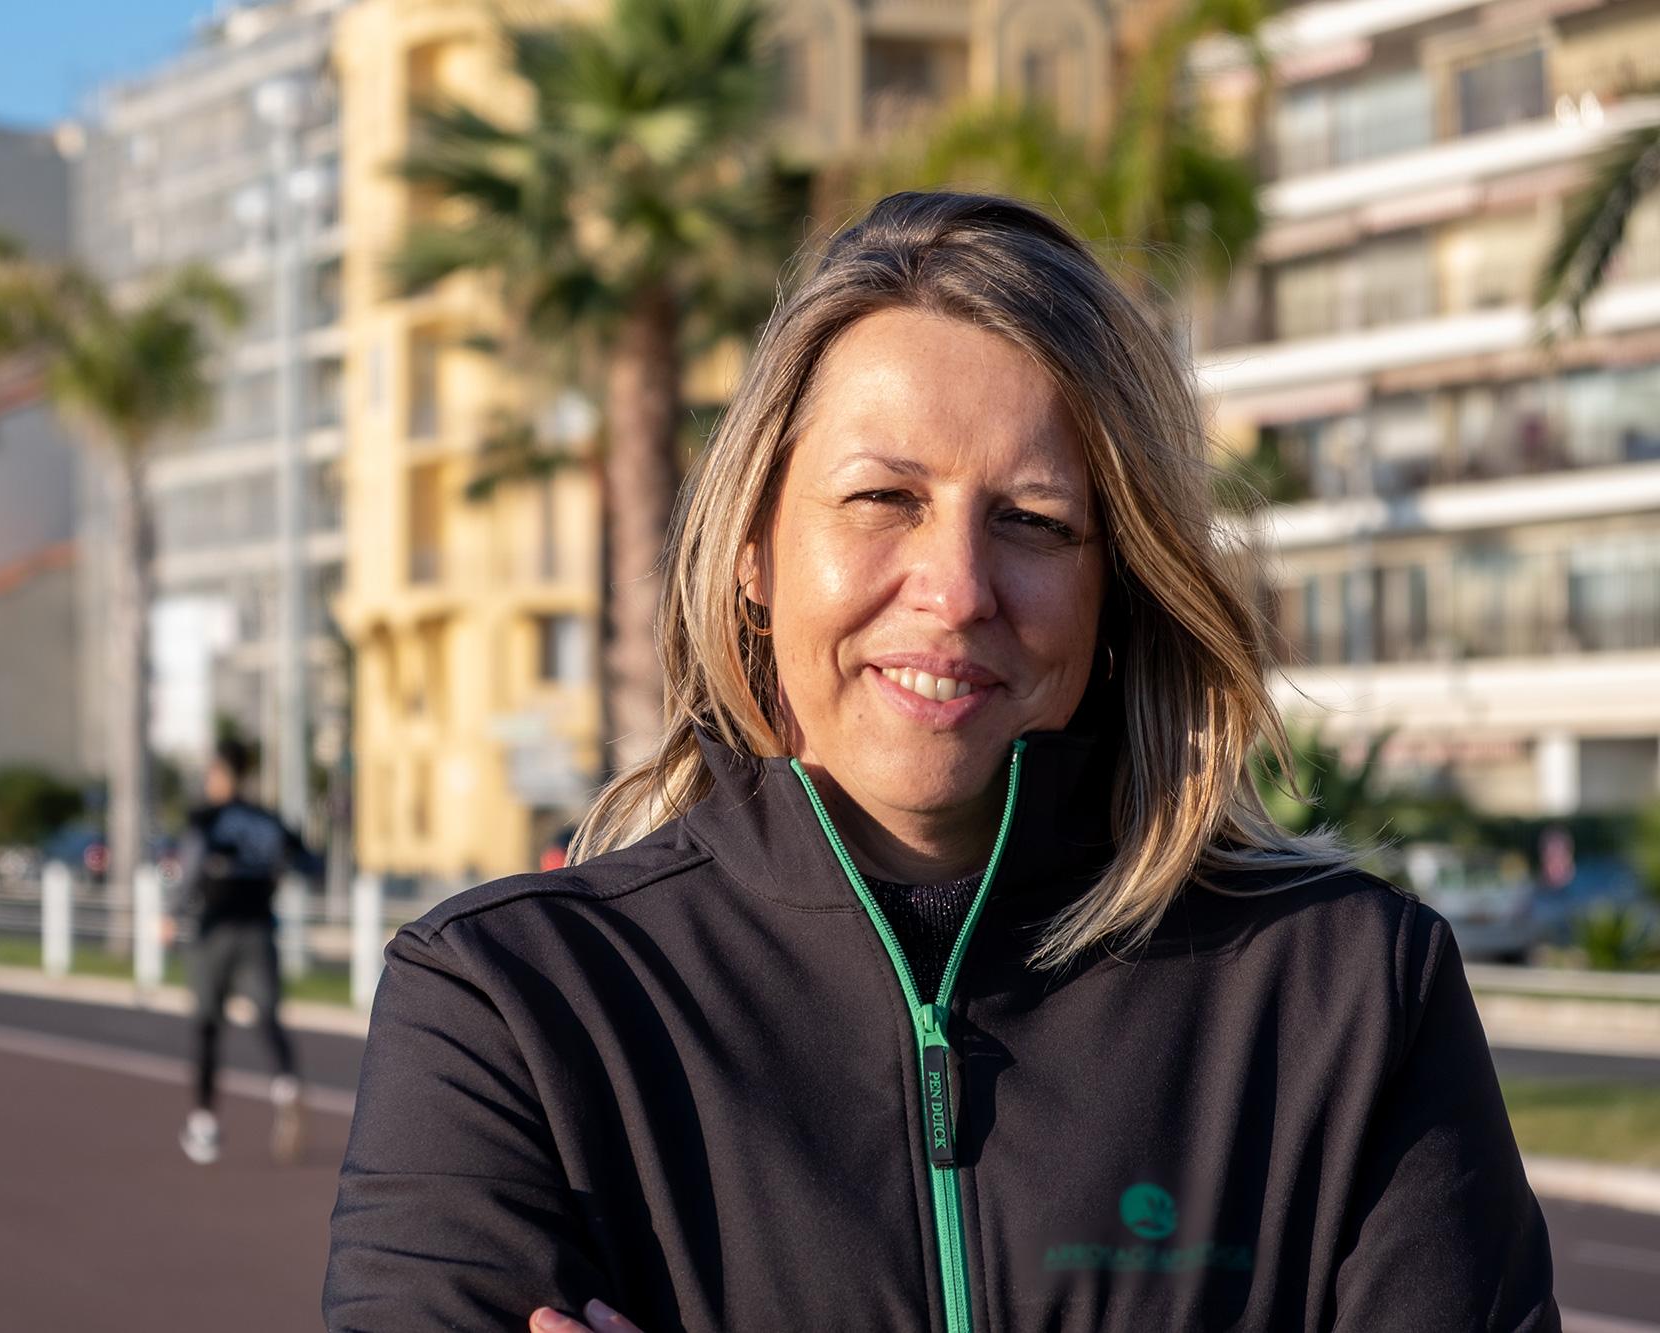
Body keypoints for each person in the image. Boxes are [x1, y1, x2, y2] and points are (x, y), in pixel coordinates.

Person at [322, 194, 1555, 1330]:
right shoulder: (509, 1006)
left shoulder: (1346, 996)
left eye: (1031, 521)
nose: (957, 589)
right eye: (880, 499)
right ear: (752, 545)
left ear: (1113, 588)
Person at [171, 736, 316, 1166]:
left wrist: (172, 911)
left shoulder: (208, 818)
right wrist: (270, 873)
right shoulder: (269, 820)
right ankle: (286, 1085)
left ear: (220, 773)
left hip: (215, 927)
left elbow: (191, 866)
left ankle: (204, 1125)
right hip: (259, 929)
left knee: (208, 1025)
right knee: (267, 1016)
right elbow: (307, 861)